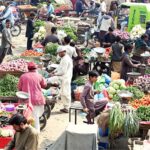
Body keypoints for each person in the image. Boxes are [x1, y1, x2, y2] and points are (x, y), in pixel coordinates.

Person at [18, 62, 47, 133]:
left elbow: (19, 88)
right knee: (36, 118)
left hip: (26, 100)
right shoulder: (39, 76)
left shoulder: (23, 76)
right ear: (35, 68)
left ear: (28, 68)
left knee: (26, 118)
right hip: (37, 99)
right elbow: (44, 85)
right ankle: (36, 134)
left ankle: (29, 134)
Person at [47, 46, 73, 113]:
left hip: (65, 77)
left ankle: (67, 107)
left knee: (65, 92)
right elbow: (59, 67)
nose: (58, 54)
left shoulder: (66, 59)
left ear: (63, 52)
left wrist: (55, 74)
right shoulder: (64, 58)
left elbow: (63, 71)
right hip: (63, 77)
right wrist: (54, 71)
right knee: (63, 92)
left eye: (59, 53)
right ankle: (66, 107)